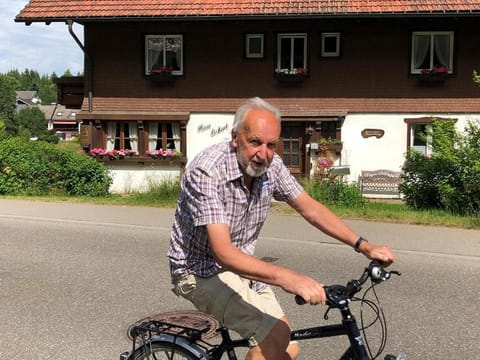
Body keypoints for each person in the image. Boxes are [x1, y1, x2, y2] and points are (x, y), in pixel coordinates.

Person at [168, 97, 395, 360]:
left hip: (242, 267)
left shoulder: (271, 166)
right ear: (235, 137)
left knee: (287, 344)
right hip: (199, 271)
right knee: (273, 336)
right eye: (254, 142)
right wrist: (291, 278)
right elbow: (223, 252)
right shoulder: (207, 171)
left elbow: (310, 208)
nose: (263, 154)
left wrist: (363, 245)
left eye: (271, 145)